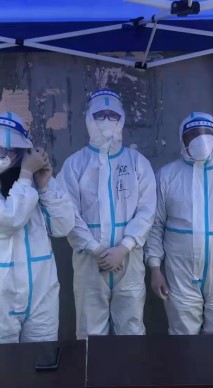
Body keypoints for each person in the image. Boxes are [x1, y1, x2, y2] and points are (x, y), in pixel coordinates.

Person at [0, 113, 74, 344]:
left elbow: (63, 226)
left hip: (40, 293)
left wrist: (44, 187)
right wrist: (26, 175)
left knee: (41, 360)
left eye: (5, 151)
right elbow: (8, 219)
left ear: (22, 152)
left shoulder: (35, 182)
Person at [56, 90, 156, 339]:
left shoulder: (137, 162)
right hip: (89, 261)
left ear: (122, 119)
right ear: (89, 119)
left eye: (113, 115)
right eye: (100, 115)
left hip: (129, 260)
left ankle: (129, 368)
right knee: (90, 332)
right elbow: (67, 213)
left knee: (131, 328)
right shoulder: (74, 164)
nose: (107, 121)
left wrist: (124, 247)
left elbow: (146, 210)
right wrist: (96, 249)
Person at [145, 112, 213, 335]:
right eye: (193, 134)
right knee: (183, 336)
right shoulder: (167, 176)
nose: (201, 139)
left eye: (207, 134)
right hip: (180, 273)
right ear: (182, 139)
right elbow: (155, 225)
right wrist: (155, 268)